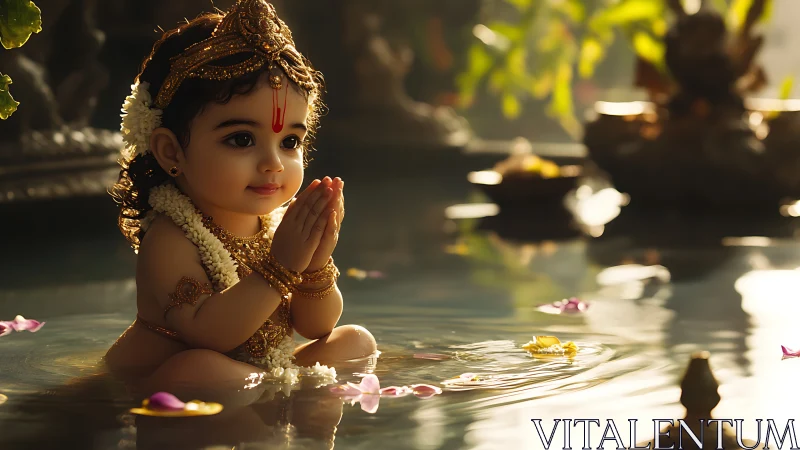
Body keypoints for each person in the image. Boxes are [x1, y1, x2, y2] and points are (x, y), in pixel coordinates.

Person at [104, 0, 377, 393]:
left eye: (290, 142)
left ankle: (288, 408)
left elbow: (317, 327)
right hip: (157, 383)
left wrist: (315, 262)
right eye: (242, 139)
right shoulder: (170, 238)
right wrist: (282, 265)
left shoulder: (276, 226)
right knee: (196, 369)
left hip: (251, 375)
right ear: (171, 151)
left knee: (355, 342)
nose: (273, 163)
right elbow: (211, 336)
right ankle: (283, 399)